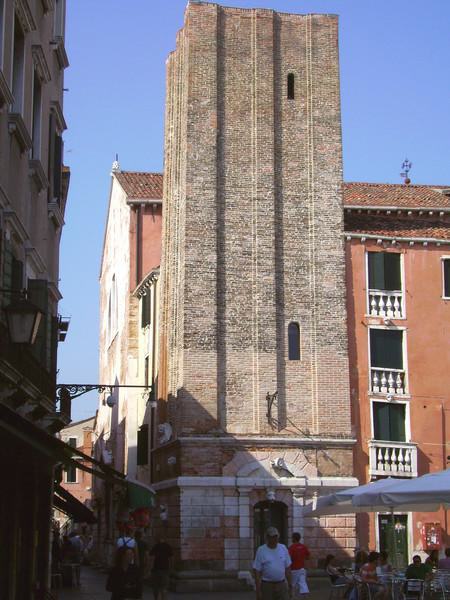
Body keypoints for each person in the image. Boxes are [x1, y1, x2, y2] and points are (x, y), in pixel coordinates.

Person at [253, 527, 292, 600]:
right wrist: (258, 590)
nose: (274, 539)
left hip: (281, 584)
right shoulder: (261, 550)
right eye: (272, 537)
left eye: (275, 536)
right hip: (267, 586)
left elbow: (288, 568)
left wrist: (290, 586)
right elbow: (257, 571)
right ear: (267, 537)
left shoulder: (283, 548)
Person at [288, 532, 310, 596]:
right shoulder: (303, 547)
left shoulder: (291, 548)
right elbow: (308, 557)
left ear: (294, 538)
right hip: (302, 569)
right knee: (303, 584)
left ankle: (292, 597)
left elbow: (288, 559)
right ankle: (304, 597)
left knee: (292, 585)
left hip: (294, 570)